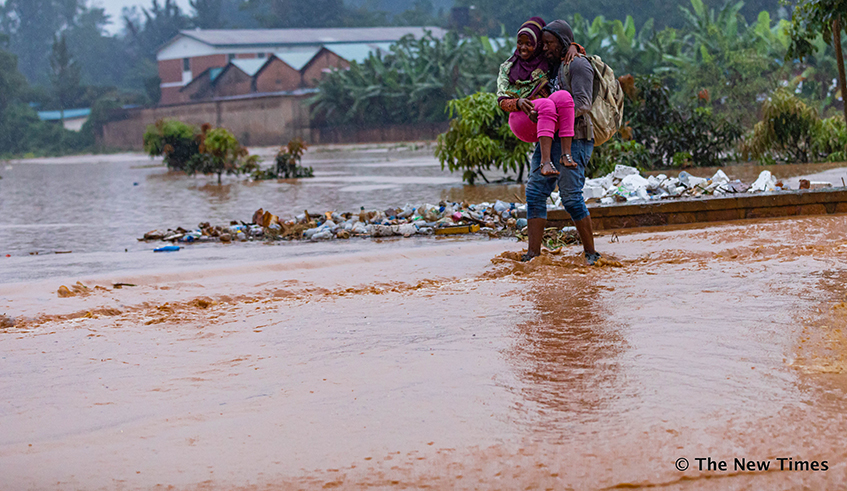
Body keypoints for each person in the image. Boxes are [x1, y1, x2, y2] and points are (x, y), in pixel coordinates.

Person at [522, 19, 602, 265]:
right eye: (543, 43)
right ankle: (533, 256)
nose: (544, 48)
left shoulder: (578, 65)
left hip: (574, 139)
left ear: (563, 43)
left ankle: (591, 253)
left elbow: (584, 104)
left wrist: (555, 117)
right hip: (548, 138)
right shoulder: (554, 65)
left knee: (570, 197)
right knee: (535, 193)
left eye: (549, 43)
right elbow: (523, 52)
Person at [496, 17, 580, 177]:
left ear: (538, 45)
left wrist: (573, 47)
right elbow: (501, 99)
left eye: (529, 44)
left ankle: (566, 155)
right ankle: (545, 162)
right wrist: (519, 102)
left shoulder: (545, 59)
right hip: (522, 117)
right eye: (520, 42)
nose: (523, 48)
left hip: (546, 117)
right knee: (547, 104)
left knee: (564, 97)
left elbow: (560, 48)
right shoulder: (508, 68)